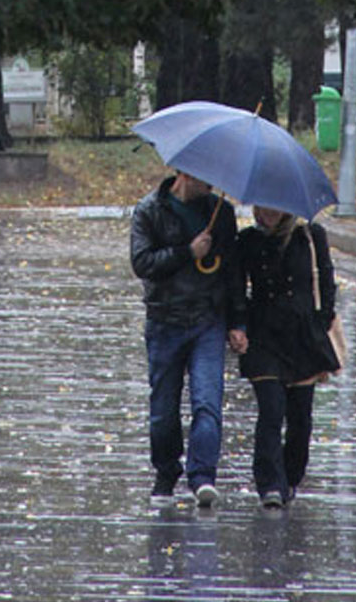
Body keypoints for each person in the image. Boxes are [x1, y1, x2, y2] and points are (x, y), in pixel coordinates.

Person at [130, 170, 242, 508]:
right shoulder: (149, 210)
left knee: (208, 400)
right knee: (163, 408)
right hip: (165, 321)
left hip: (208, 320)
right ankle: (166, 472)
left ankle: (203, 476)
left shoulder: (220, 212)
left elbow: (232, 270)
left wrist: (238, 322)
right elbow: (142, 262)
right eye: (200, 177)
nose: (209, 183)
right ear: (181, 173)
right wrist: (187, 253)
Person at [227, 206, 338, 509]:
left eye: (274, 207)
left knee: (300, 417)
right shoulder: (247, 240)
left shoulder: (310, 236)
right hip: (264, 336)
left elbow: (326, 281)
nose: (268, 213)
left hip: (303, 338)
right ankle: (269, 484)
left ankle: (290, 477)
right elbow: (237, 287)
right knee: (271, 410)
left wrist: (322, 320)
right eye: (262, 207)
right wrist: (237, 325)